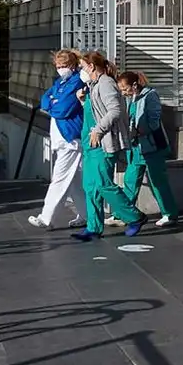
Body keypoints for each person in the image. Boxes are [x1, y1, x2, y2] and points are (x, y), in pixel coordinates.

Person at [75, 52, 144, 242]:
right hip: (90, 142)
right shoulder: (93, 85)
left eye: (82, 66)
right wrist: (82, 101)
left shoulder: (105, 83)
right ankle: (93, 227)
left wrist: (98, 130)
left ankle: (134, 216)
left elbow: (115, 110)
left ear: (91, 66)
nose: (81, 70)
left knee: (103, 184)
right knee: (90, 186)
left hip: (102, 143)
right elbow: (96, 111)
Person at [30, 50, 89, 230]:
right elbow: (45, 100)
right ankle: (87, 215)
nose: (60, 69)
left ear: (72, 66)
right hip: (64, 138)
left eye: (63, 66)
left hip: (70, 139)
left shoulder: (76, 81)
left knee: (59, 179)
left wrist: (53, 104)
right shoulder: (61, 82)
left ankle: (46, 218)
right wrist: (53, 103)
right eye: (58, 66)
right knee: (75, 181)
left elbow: (63, 109)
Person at [119, 70, 179, 227]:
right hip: (136, 147)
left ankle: (169, 213)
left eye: (125, 89)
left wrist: (138, 131)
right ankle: (124, 213)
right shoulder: (130, 99)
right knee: (130, 180)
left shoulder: (150, 95)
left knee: (158, 181)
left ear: (134, 85)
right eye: (122, 90)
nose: (123, 92)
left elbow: (154, 121)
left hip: (151, 146)